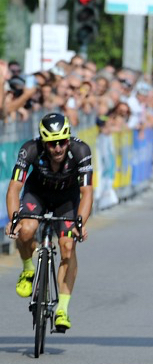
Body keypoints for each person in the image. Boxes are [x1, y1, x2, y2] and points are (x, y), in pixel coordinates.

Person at [4, 113, 92, 331]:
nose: (58, 148)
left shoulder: (81, 151)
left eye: (63, 142)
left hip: (67, 200)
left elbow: (87, 192)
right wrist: (14, 219)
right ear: (44, 141)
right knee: (26, 230)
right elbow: (14, 187)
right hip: (38, 195)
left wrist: (80, 223)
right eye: (53, 144)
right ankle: (27, 268)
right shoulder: (30, 149)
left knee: (67, 247)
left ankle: (62, 308)